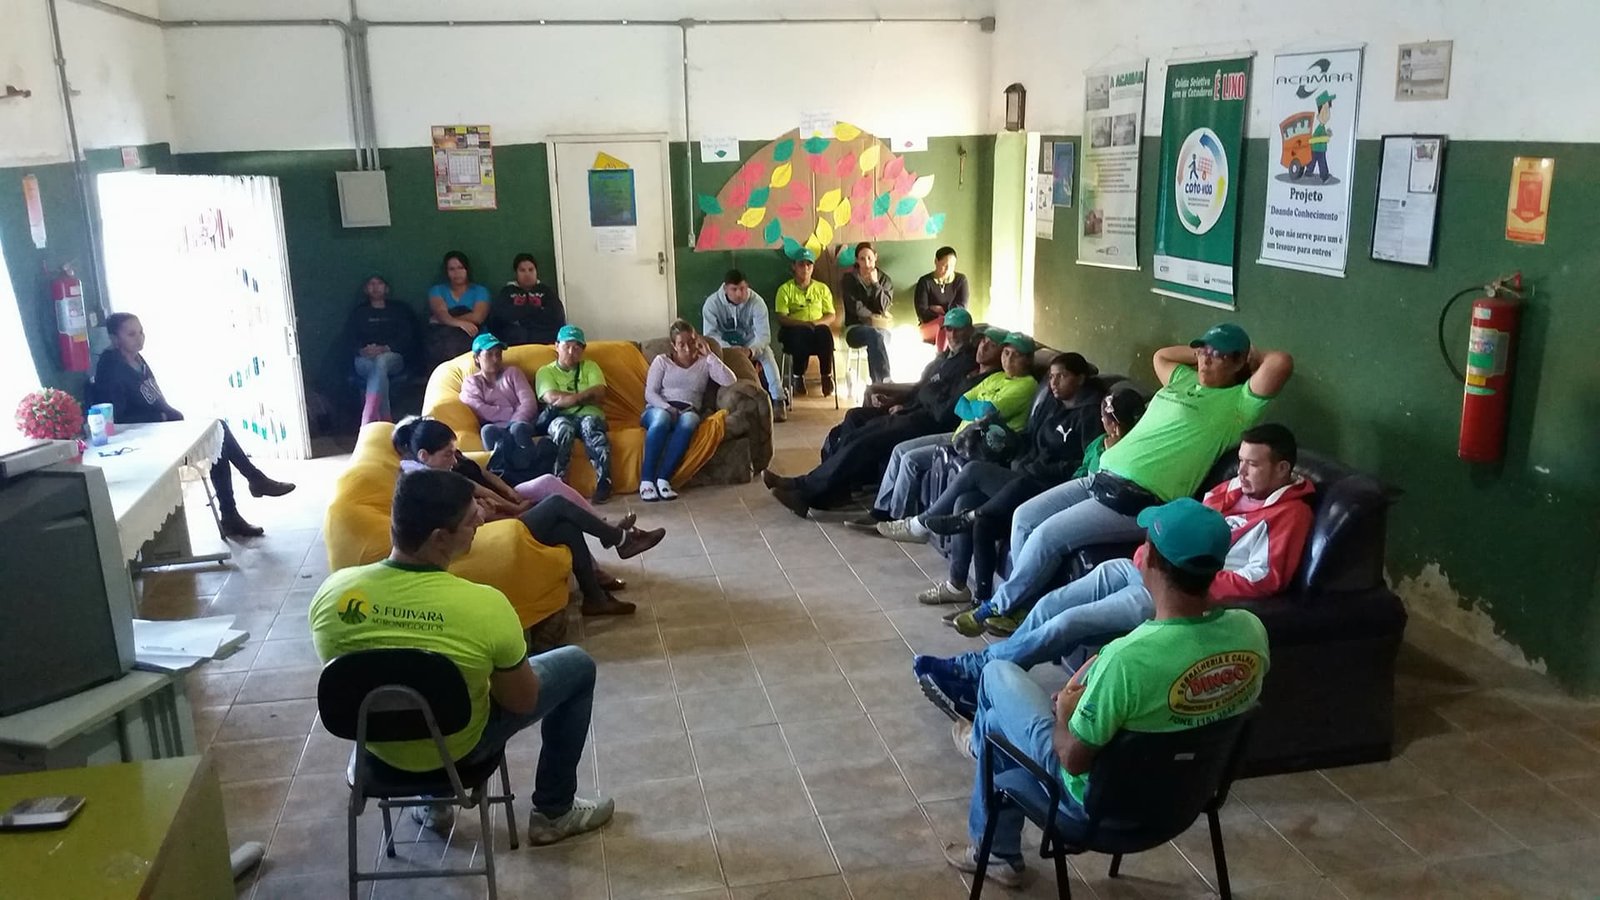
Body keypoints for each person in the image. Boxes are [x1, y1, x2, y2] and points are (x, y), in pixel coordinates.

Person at [941, 497, 1270, 887]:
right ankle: (987, 777)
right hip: (1184, 798)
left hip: (1097, 807)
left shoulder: (1127, 661)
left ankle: (988, 795)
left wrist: (1065, 712)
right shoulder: (1251, 631)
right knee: (997, 723)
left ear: (1150, 561)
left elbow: (1073, 759)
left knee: (997, 674)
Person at [917, 424, 1310, 723]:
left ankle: (977, 673)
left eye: (1253, 464)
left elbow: (1265, 579)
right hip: (1145, 569)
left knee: (1067, 623)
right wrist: (1147, 556)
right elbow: (1177, 528)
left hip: (1175, 591)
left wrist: (1184, 580)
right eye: (1240, 461)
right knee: (1050, 604)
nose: (1241, 471)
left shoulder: (1289, 515)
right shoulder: (1232, 489)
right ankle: (986, 670)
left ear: (1282, 468)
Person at [308, 467, 615, 842]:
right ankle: (555, 811)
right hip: (458, 749)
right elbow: (522, 701)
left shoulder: (333, 594)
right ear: (440, 538)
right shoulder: (484, 605)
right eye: (472, 519)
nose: (482, 519)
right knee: (577, 666)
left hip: (378, 749)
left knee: (412, 686)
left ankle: (433, 804)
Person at [955, 323, 1294, 636]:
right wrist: (1202, 353)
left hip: (1137, 497)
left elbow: (1280, 362)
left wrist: (1250, 355)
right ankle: (1022, 605)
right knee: (1024, 517)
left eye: (1217, 355)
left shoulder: (1237, 405)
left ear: (1238, 362)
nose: (1205, 360)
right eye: (1202, 352)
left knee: (1046, 536)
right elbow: (1161, 356)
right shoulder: (1182, 379)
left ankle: (1000, 607)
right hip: (1100, 476)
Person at [391, 416, 658, 616]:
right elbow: (462, 520)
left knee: (566, 526)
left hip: (494, 519)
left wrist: (497, 503)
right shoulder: (426, 485)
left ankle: (595, 598)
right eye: (447, 454)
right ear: (424, 455)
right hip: (491, 531)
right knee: (556, 504)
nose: (453, 460)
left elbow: (475, 490)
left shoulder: (439, 474)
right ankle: (619, 539)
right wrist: (491, 510)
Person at [920, 387, 1147, 620]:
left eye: (1109, 420)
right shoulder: (1077, 425)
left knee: (1002, 482)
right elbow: (1078, 470)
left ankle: (944, 522)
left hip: (1059, 487)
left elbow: (1085, 475)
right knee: (974, 508)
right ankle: (978, 597)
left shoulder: (1123, 445)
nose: (1105, 424)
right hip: (1049, 481)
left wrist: (1044, 470)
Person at [872, 352, 1107, 549]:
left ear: (1080, 379)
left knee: (974, 470)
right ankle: (958, 583)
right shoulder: (1052, 405)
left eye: (1062, 376)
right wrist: (1009, 440)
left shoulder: (1090, 415)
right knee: (964, 502)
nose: (1053, 383)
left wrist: (1039, 467)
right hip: (1024, 472)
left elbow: (1085, 465)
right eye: (1052, 377)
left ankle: (919, 526)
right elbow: (1030, 438)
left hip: (1046, 485)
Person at [91, 312, 295, 538]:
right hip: (144, 439)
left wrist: (170, 414)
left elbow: (156, 398)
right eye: (131, 334)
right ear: (115, 339)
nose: (139, 338)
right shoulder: (111, 368)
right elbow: (117, 417)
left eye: (141, 332)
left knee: (217, 433)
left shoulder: (138, 359)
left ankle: (240, 501)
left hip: (163, 427)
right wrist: (161, 417)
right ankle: (250, 488)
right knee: (218, 435)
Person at [764, 325, 1000, 519]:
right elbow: (926, 390)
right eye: (983, 342)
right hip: (916, 413)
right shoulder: (960, 365)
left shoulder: (975, 373)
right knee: (857, 430)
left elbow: (944, 410)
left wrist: (923, 397)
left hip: (928, 424)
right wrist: (905, 400)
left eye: (992, 346)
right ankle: (815, 487)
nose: (983, 346)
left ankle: (806, 492)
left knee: (865, 440)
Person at [861, 333, 1039, 529]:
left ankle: (897, 521)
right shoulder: (996, 377)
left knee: (911, 459)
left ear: (1028, 360)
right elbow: (960, 404)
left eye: (1016, 355)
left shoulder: (1027, 385)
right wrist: (977, 409)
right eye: (1006, 353)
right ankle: (880, 512)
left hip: (980, 445)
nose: (1009, 359)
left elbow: (988, 411)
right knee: (900, 450)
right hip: (961, 435)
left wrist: (976, 408)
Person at [830, 308, 978, 460]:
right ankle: (834, 461)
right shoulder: (942, 358)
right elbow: (920, 387)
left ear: (970, 331)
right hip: (909, 408)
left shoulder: (968, 364)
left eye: (959, 330)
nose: (953, 335)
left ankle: (833, 468)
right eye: (949, 329)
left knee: (861, 440)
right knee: (853, 417)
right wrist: (894, 401)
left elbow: (939, 404)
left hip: (920, 419)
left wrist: (906, 407)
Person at [641, 320, 736, 501]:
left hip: (688, 410)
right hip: (659, 408)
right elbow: (650, 393)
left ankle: (663, 479)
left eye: (691, 342)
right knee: (662, 419)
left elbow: (730, 380)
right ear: (673, 345)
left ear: (697, 340)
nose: (687, 348)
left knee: (690, 420)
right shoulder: (662, 361)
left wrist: (709, 355)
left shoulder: (704, 363)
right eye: (681, 344)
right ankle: (646, 482)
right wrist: (668, 408)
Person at [536, 325, 613, 503]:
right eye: (567, 346)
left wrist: (570, 399)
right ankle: (559, 483)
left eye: (577, 347)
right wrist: (585, 396)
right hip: (560, 418)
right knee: (563, 428)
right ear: (557, 346)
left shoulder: (590, 367)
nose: (572, 352)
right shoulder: (545, 371)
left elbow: (600, 393)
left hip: (590, 416)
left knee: (590, 425)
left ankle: (605, 482)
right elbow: (552, 398)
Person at [703, 269, 785, 421]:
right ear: (725, 288)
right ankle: (710, 403)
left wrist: (751, 350)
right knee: (710, 358)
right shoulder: (712, 304)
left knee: (767, 354)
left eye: (743, 288)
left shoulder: (757, 302)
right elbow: (710, 335)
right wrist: (731, 350)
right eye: (734, 289)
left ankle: (778, 399)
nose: (739, 294)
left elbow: (763, 335)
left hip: (750, 345)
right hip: (725, 347)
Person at [342, 274, 418, 426]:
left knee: (381, 362)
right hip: (364, 359)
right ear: (365, 289)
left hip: (392, 357)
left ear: (386, 288)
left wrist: (385, 348)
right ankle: (385, 419)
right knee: (376, 370)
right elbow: (349, 338)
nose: (375, 287)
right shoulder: (359, 312)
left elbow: (406, 337)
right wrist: (362, 350)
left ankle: (369, 417)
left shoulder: (398, 311)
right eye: (371, 284)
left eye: (379, 283)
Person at [460, 333, 539, 479]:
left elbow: (529, 402)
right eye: (489, 354)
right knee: (487, 430)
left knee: (518, 429)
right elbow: (479, 408)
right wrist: (510, 412)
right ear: (477, 358)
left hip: (522, 423)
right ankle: (503, 476)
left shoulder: (513, 373)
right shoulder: (472, 382)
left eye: (498, 354)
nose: (495, 359)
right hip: (495, 428)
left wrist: (514, 421)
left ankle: (531, 473)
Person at [773, 249, 837, 397]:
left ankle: (826, 376)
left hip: (816, 328)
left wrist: (816, 323)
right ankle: (798, 376)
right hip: (793, 330)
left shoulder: (822, 289)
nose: (805, 268)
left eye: (809, 265)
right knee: (801, 333)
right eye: (801, 264)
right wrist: (801, 324)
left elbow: (831, 315)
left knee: (824, 332)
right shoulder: (785, 289)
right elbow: (781, 317)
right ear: (794, 266)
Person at [841, 242, 895, 384]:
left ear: (876, 257)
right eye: (862, 259)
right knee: (874, 335)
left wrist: (876, 284)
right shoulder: (849, 280)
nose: (866, 263)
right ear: (857, 260)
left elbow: (883, 306)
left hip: (881, 329)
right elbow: (855, 308)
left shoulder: (885, 280)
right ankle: (884, 380)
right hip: (855, 329)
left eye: (870, 258)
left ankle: (878, 384)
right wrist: (873, 317)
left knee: (877, 337)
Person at [425, 250, 491, 366]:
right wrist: (461, 323)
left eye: (460, 268)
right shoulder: (437, 290)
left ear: (467, 270)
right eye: (452, 269)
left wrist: (446, 320)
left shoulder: (480, 291)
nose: (457, 273)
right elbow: (441, 314)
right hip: (444, 337)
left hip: (473, 335)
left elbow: (478, 317)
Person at [490, 253, 566, 346]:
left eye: (531, 270)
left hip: (544, 342)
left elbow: (557, 317)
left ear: (536, 271)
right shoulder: (507, 292)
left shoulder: (546, 291)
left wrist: (521, 316)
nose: (527, 274)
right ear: (516, 273)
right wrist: (536, 310)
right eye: (522, 270)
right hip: (514, 343)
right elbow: (499, 318)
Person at [913, 246, 969, 348]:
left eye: (952, 266)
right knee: (945, 324)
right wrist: (945, 315)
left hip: (954, 323)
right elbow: (922, 313)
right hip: (929, 325)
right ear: (936, 261)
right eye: (944, 265)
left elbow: (962, 307)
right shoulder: (925, 282)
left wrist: (939, 310)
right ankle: (941, 354)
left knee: (957, 326)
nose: (948, 269)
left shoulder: (961, 280)